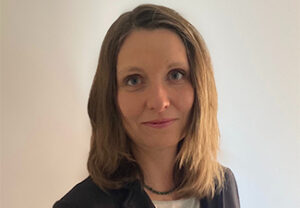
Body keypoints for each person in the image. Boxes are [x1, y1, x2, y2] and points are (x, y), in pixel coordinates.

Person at [53, 4, 240, 208]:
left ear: (200, 87)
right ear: (110, 96)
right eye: (134, 80)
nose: (159, 102)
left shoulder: (221, 185)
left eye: (176, 75)